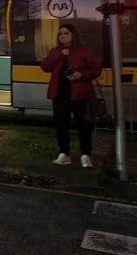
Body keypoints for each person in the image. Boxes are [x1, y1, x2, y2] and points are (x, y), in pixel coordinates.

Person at [40, 24, 101, 168]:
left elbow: (96, 69)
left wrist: (81, 75)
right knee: (61, 125)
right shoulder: (56, 51)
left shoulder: (83, 51)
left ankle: (86, 155)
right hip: (60, 95)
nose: (62, 36)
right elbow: (45, 67)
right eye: (60, 34)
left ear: (73, 35)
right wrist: (61, 54)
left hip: (80, 95)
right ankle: (64, 153)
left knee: (83, 126)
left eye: (66, 33)